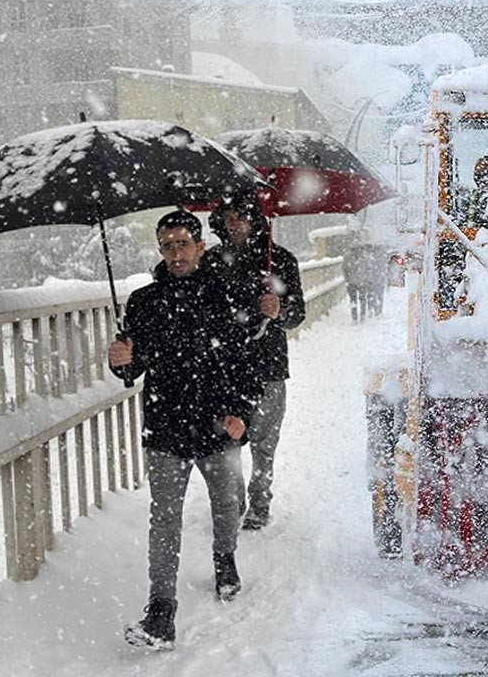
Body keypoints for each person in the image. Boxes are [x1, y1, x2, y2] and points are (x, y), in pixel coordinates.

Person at [110, 209, 262, 651]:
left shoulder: (224, 296)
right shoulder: (143, 302)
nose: (176, 253)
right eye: (168, 245)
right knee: (164, 520)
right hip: (166, 426)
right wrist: (120, 359)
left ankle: (224, 558)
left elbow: (246, 366)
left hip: (217, 424)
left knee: (227, 503)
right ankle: (161, 612)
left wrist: (242, 414)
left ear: (200, 247)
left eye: (183, 244)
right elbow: (131, 370)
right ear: (160, 250)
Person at [206, 193, 306, 531]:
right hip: (225, 369)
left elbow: (297, 314)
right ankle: (234, 500)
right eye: (228, 216)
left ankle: (260, 500)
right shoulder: (212, 261)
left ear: (255, 219)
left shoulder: (281, 260)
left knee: (264, 443)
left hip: (269, 366)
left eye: (241, 216)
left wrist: (280, 311)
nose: (234, 223)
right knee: (227, 442)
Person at [450, 155, 488, 228]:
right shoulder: (475, 196)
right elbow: (467, 219)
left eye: (485, 174)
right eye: (478, 175)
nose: (483, 180)